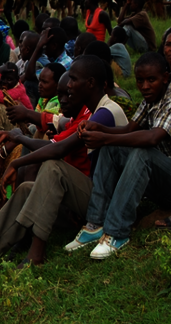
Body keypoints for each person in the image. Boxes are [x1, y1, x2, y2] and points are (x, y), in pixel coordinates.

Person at [0, 56, 128, 266]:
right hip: (90, 194)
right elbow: (54, 121)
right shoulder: (89, 111)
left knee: (53, 166)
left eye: (73, 79)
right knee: (26, 189)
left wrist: (16, 162)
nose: (69, 85)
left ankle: (36, 252)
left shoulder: (105, 112)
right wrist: (16, 135)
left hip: (103, 203)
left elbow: (59, 148)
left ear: (91, 83)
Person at [69, 52, 171, 258]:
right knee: (111, 148)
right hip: (162, 181)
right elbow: (128, 130)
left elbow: (153, 138)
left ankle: (117, 231)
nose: (144, 86)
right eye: (140, 81)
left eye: (151, 80)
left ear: (165, 78)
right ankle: (95, 224)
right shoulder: (150, 100)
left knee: (142, 152)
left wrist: (105, 138)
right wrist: (100, 128)